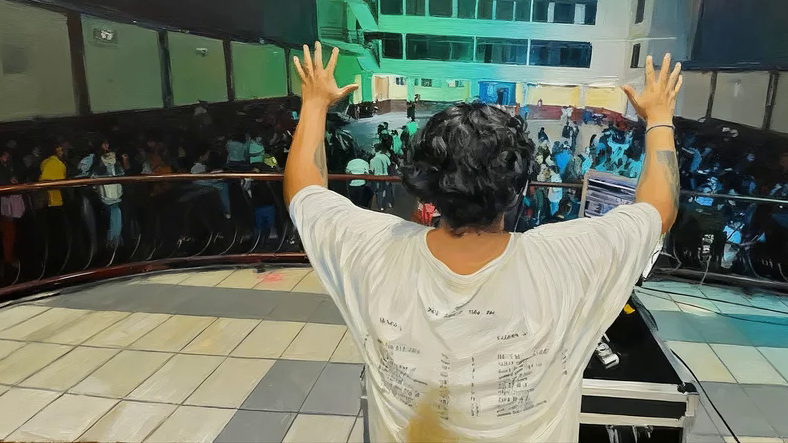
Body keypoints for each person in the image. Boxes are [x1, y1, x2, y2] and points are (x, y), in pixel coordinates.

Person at [284, 43, 681, 442]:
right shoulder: (567, 257)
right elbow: (660, 208)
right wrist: (660, 116)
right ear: (519, 188)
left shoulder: (374, 249)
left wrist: (315, 103)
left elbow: (303, 192)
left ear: (426, 186)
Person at [369, 142, 393, 212]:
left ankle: (380, 206)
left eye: (373, 148)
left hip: (377, 177)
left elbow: (371, 170)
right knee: (388, 190)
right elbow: (389, 165)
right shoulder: (385, 156)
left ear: (375, 149)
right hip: (386, 176)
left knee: (379, 191)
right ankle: (389, 204)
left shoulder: (373, 160)